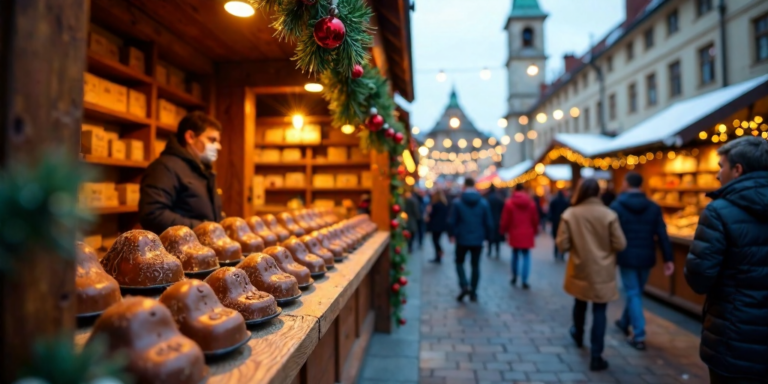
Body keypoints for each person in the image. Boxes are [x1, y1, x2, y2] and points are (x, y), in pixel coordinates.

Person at [684, 137, 768, 383]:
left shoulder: (718, 211)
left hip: (734, 334)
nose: (718, 175)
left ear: (738, 169)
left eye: (721, 166)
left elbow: (699, 278)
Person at [556, 178, 626, 372]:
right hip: (602, 270)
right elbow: (620, 244)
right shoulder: (609, 214)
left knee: (579, 303)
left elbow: (563, 245)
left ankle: (577, 334)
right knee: (600, 310)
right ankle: (597, 356)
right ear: (598, 192)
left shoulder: (569, 214)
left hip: (579, 268)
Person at [609, 172, 674, 351]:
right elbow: (662, 233)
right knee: (635, 292)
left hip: (626, 255)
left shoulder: (617, 206)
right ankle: (624, 322)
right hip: (647, 256)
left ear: (627, 184)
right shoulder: (653, 207)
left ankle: (639, 335)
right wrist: (668, 258)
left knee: (633, 292)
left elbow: (611, 234)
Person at [139, 111, 223, 234]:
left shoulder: (202, 168)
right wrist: (203, 229)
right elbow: (153, 214)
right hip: (177, 249)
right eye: (212, 140)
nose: (218, 146)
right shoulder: (164, 167)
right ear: (190, 137)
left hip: (199, 247)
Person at [448, 178, 493, 302]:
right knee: (475, 265)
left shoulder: (458, 202)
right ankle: (473, 292)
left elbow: (452, 221)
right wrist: (489, 238)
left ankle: (464, 285)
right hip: (478, 239)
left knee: (459, 262)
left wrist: (451, 234)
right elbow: (488, 222)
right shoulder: (483, 203)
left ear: (464, 186)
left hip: (462, 238)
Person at [500, 184, 539, 289]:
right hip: (527, 233)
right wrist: (535, 231)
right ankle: (524, 280)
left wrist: (503, 231)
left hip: (515, 232)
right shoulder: (531, 203)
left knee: (515, 255)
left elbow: (505, 219)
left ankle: (514, 276)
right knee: (526, 256)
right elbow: (535, 219)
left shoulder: (509, 203)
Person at [427, 189, 450, 263]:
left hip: (435, 225)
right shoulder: (444, 204)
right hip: (442, 225)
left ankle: (439, 254)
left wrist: (429, 212)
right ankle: (438, 255)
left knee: (435, 240)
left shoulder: (435, 205)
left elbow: (431, 215)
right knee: (437, 240)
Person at [548, 189, 570, 261]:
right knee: (562, 237)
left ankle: (556, 252)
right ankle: (562, 254)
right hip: (563, 222)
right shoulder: (565, 202)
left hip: (555, 222)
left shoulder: (554, 201)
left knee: (556, 238)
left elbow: (550, 211)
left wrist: (551, 219)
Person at [485, 185, 505, 258]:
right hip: (497, 219)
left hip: (490, 219)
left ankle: (490, 251)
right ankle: (497, 252)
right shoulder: (498, 198)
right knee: (497, 238)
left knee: (490, 237)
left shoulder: (488, 198)